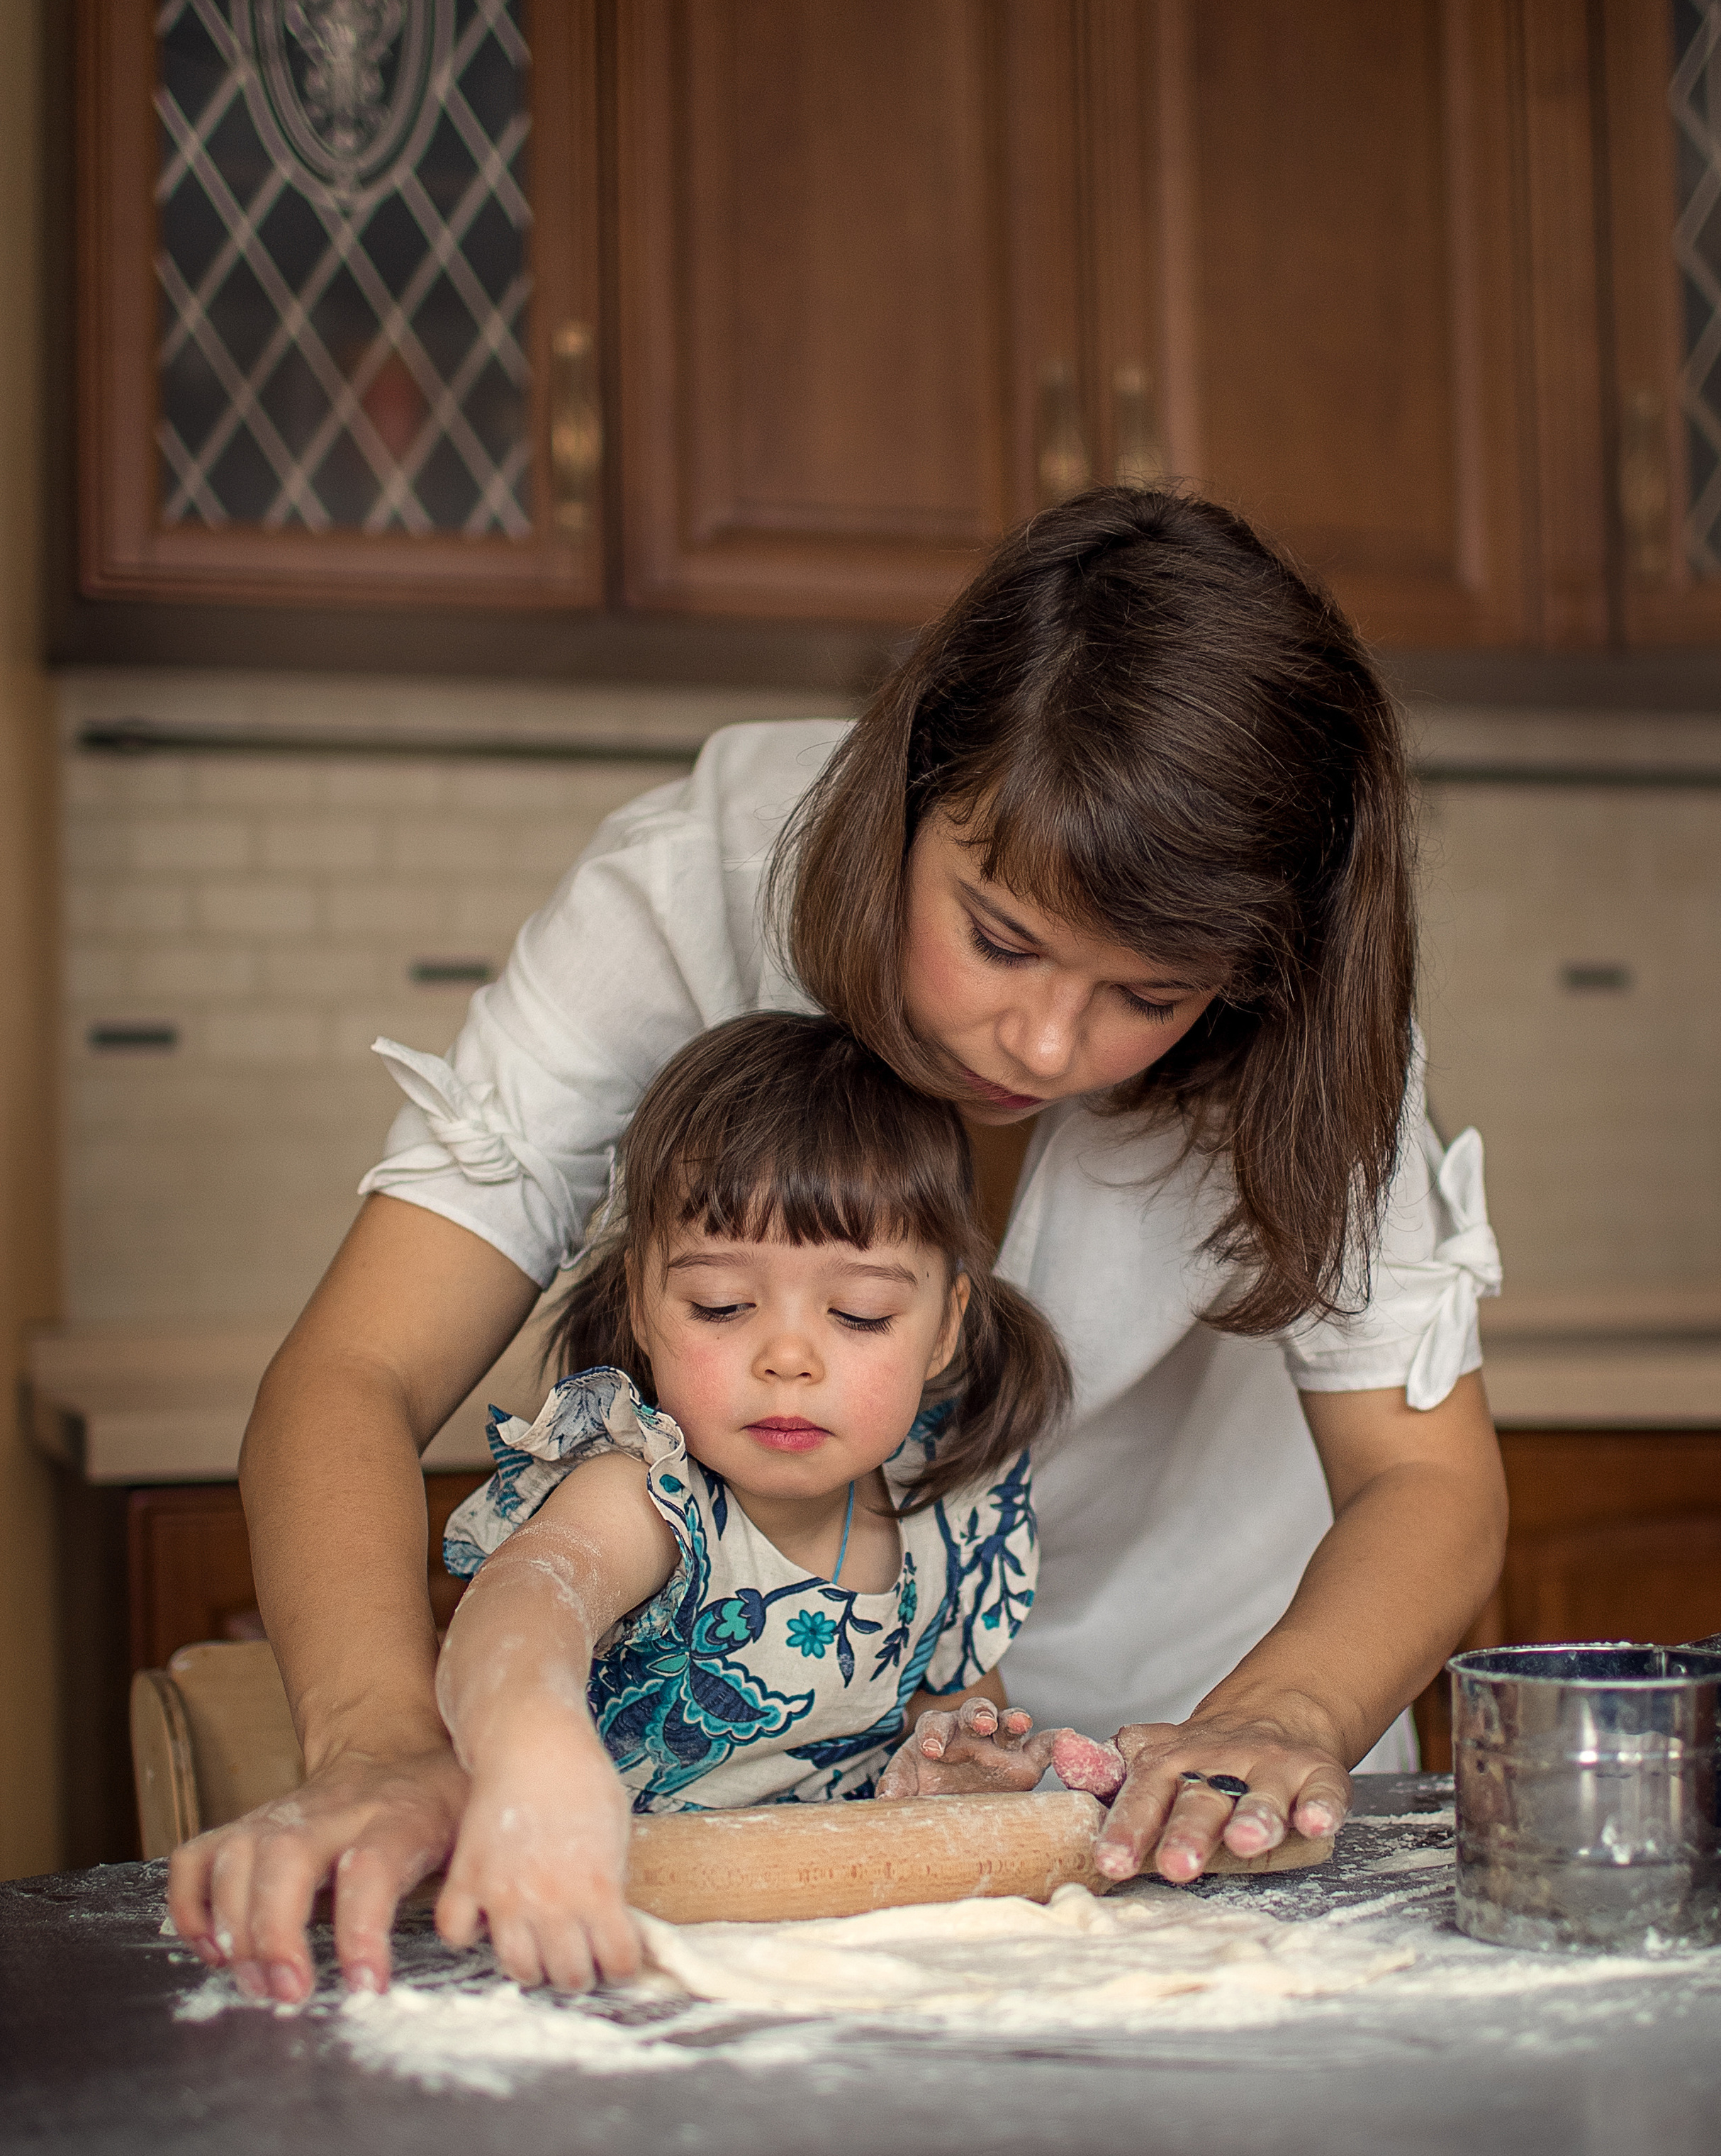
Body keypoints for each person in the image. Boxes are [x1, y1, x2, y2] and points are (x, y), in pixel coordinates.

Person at [168, 486, 1507, 2006]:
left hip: (1198, 1799)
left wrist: (1280, 1712)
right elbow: (353, 1367)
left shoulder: (1307, 1028)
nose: (1048, 1039)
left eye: (1152, 991)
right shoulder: (692, 882)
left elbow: (1425, 1480)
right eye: (998, 937)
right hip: (775, 1805)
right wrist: (380, 1747)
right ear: (903, 784)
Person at [432, 1010, 1074, 1991]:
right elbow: (527, 1601)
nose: (787, 1355)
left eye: (858, 1312)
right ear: (644, 1303)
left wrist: (957, 1765)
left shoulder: (954, 1518)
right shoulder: (646, 1496)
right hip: (603, 1955)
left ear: (945, 1328)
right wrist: (527, 1741)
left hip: (847, 1975)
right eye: (724, 1304)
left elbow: (959, 1712)